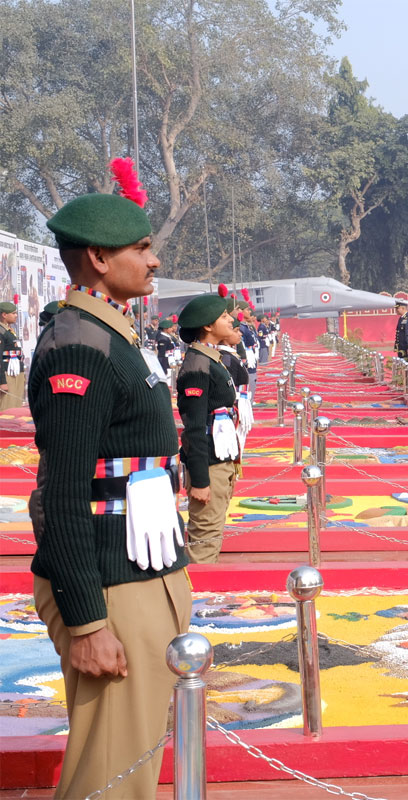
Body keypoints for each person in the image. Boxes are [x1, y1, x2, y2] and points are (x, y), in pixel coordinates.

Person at [34, 183, 191, 798]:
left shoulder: (111, 334)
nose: (155, 260)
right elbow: (63, 494)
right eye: (142, 248)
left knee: (136, 757)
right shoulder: (80, 345)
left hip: (139, 567)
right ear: (99, 257)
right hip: (108, 581)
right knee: (111, 772)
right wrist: (88, 622)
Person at [176, 294, 241, 564]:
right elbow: (194, 428)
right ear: (207, 326)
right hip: (209, 465)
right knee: (204, 540)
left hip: (220, 460)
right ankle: (197, 590)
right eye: (224, 317)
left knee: (212, 535)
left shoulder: (211, 358)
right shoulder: (198, 365)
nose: (231, 320)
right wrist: (201, 481)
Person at [0, 300, 25, 410]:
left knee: (16, 407)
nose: (16, 316)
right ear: (4, 315)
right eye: (13, 313)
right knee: (7, 408)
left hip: (16, 373)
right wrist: (2, 381)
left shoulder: (8, 330)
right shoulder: (1, 332)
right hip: (7, 375)